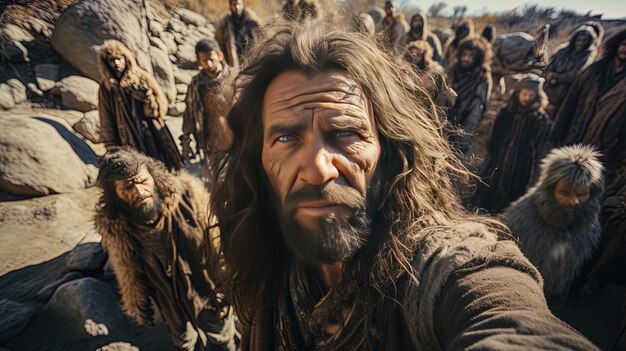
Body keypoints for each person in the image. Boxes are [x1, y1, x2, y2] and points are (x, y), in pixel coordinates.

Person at [210, 19, 598, 350]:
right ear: (257, 161)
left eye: (345, 132)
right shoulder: (263, 255)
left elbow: (507, 315)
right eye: (285, 138)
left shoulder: (442, 268)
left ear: (389, 150)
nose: (318, 169)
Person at [95, 148, 238, 351]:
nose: (139, 192)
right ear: (114, 193)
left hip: (206, 287)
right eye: (127, 187)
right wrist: (137, 301)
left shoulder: (187, 196)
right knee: (185, 341)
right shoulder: (117, 224)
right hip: (168, 298)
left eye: (142, 181)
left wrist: (230, 278)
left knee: (222, 337)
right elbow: (126, 268)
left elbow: (219, 241)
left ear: (153, 177)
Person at [502, 145, 604, 308]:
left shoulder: (590, 225)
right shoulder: (519, 217)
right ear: (550, 189)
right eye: (565, 193)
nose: (574, 201)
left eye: (581, 194)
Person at [549, 27, 626, 186]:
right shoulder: (593, 71)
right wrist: (556, 134)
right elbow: (569, 104)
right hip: (574, 137)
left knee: (586, 191)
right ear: (617, 45)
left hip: (604, 147)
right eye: (624, 44)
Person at [97, 40, 183, 171]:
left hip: (152, 131)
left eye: (119, 59)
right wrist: (111, 143)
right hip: (126, 136)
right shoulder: (106, 87)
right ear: (106, 63)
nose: (116, 64)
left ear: (126, 58)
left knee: (166, 167)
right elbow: (106, 117)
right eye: (112, 60)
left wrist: (146, 98)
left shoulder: (142, 77)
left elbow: (160, 107)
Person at [472, 74, 551, 213]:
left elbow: (540, 151)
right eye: (524, 94)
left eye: (531, 95)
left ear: (537, 96)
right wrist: (491, 156)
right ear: (518, 93)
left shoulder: (540, 120)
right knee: (488, 191)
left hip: (519, 168)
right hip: (498, 161)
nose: (526, 98)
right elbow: (493, 137)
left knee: (509, 198)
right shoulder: (506, 113)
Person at [181, 39, 236, 168]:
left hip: (238, 139)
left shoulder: (235, 78)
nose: (209, 63)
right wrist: (186, 139)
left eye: (212, 59)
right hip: (212, 143)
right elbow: (189, 113)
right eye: (204, 61)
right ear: (199, 61)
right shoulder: (196, 85)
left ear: (220, 55)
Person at [543, 22, 603, 114]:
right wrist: (548, 75)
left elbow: (575, 75)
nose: (581, 43)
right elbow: (548, 68)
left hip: (566, 93)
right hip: (548, 87)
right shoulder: (562, 51)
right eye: (579, 39)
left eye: (584, 40)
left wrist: (556, 77)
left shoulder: (587, 56)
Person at [447, 36, 492, 154]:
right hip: (449, 115)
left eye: (471, 56)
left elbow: (479, 106)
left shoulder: (482, 76)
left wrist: (466, 132)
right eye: (464, 54)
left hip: (469, 118)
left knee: (458, 150)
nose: (466, 59)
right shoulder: (455, 69)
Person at [403, 40, 451, 107]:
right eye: (411, 53)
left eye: (418, 53)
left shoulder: (433, 71)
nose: (414, 56)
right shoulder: (403, 71)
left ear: (424, 54)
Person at [215, 0, 260, 69]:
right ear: (230, 6)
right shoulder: (224, 24)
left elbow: (261, 38)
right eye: (234, 5)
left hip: (251, 58)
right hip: (233, 61)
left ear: (242, 4)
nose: (237, 7)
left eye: (239, 4)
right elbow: (219, 44)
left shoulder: (252, 21)